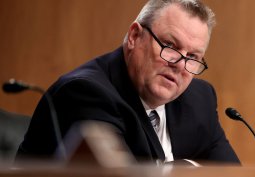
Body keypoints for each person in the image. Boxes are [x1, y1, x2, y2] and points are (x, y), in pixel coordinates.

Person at [16, 0, 240, 165]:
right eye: (170, 46)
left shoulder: (199, 99)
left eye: (192, 57)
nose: (180, 65)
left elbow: (231, 174)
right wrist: (189, 170)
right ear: (134, 37)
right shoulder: (86, 93)